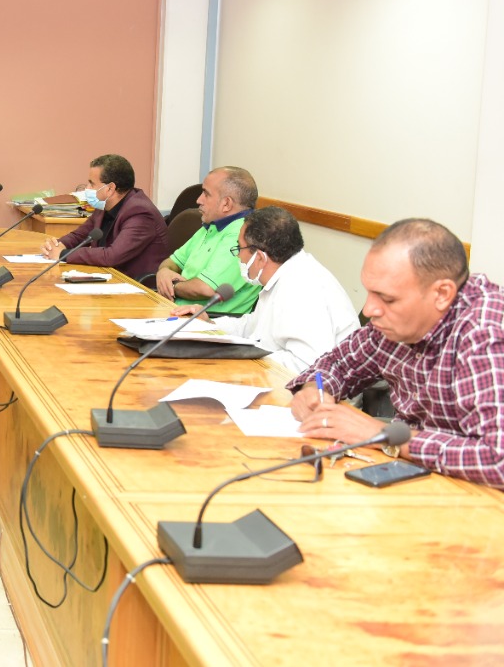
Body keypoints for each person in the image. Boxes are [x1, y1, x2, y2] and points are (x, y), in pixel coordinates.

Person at [289, 219, 504, 488]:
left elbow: (498, 459)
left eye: (387, 299)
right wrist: (313, 390)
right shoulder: (391, 324)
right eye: (369, 292)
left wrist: (382, 435)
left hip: (480, 497)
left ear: (442, 294)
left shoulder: (485, 333)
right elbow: (338, 364)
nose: (369, 309)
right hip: (412, 475)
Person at [173, 207, 358, 372]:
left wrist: (241, 359)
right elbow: (253, 327)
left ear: (260, 258)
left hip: (318, 392)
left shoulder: (302, 289)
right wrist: (210, 324)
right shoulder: (282, 275)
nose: (238, 256)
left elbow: (305, 365)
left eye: (239, 248)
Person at [40, 154, 169, 279]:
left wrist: (63, 254)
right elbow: (79, 236)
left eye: (92, 184)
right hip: (110, 276)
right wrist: (56, 245)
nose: (87, 188)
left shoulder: (140, 213)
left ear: (110, 189)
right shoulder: (104, 206)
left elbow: (112, 256)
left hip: (137, 285)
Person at [155, 166, 260, 315]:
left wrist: (171, 285)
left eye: (206, 194)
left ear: (226, 204)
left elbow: (205, 289)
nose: (198, 200)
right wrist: (164, 272)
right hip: (174, 310)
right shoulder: (213, 225)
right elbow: (172, 262)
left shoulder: (243, 235)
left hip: (205, 321)